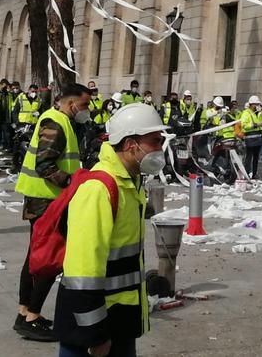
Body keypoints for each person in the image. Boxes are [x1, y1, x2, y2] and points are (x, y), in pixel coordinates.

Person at [55, 103, 165, 357]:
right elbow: (82, 271)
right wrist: (95, 332)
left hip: (119, 320)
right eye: (154, 141)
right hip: (92, 330)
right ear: (130, 145)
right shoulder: (99, 189)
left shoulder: (130, 181)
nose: (160, 149)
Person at [15, 83, 92, 342]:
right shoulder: (56, 123)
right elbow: (45, 164)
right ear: (71, 104)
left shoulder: (59, 121)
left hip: (45, 200)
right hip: (47, 202)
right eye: (84, 105)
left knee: (35, 258)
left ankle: (25, 313)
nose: (87, 110)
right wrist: (73, 182)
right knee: (49, 259)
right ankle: (32, 316)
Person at [240, 95, 262, 179]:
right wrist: (255, 125)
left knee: (256, 158)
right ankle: (246, 174)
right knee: (249, 157)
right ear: (251, 104)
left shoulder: (257, 113)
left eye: (258, 104)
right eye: (256, 104)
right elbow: (244, 125)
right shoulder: (246, 113)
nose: (257, 106)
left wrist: (261, 114)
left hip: (258, 138)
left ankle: (254, 174)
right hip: (250, 139)